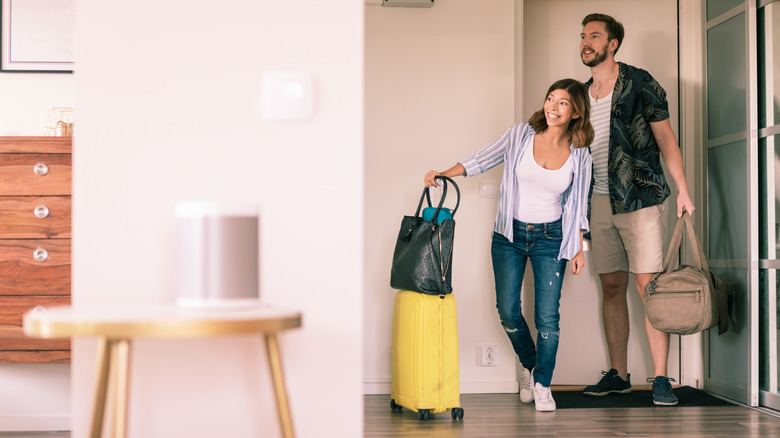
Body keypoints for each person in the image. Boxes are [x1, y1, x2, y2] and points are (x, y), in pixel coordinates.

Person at [424, 78, 593, 412]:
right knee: (509, 311)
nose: (553, 107)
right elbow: (481, 159)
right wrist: (443, 174)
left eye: (562, 103)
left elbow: (579, 202)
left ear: (576, 112)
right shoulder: (520, 135)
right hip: (509, 237)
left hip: (551, 239)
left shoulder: (580, 154)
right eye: (550, 99)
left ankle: (543, 384)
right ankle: (529, 365)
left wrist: (579, 247)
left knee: (547, 318)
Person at [578, 13, 696, 406]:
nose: (586, 42)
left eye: (594, 36)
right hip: (596, 201)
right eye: (583, 36)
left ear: (613, 44)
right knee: (611, 287)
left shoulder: (640, 83)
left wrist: (682, 189)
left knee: (650, 288)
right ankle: (619, 375)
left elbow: (666, 139)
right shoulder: (579, 93)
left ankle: (662, 378)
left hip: (639, 200)